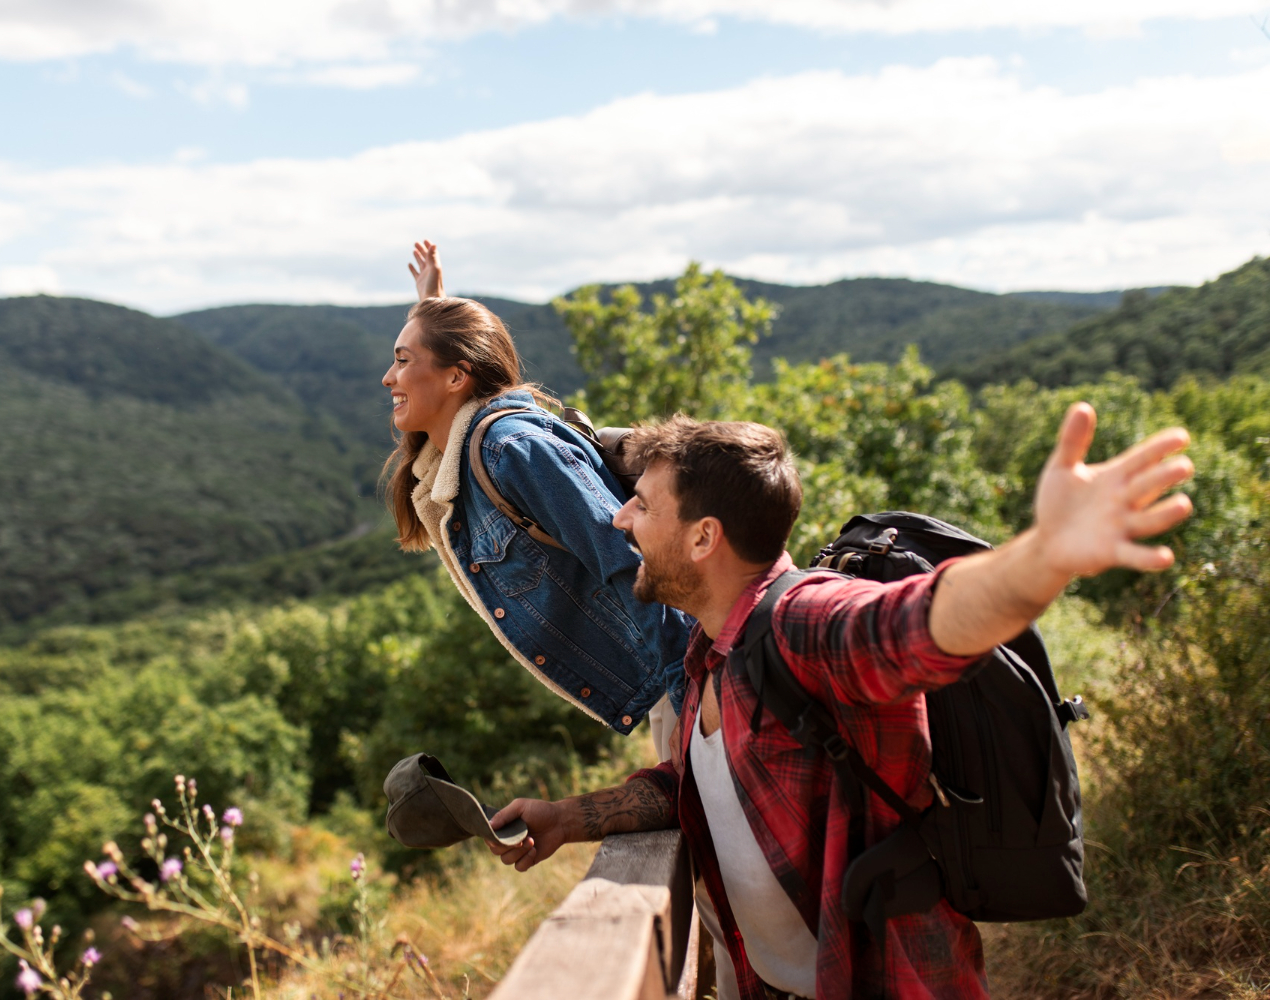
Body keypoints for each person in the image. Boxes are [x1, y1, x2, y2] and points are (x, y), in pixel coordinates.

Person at [485, 407, 1194, 999]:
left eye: (642, 505)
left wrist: (1045, 557)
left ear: (705, 537)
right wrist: (570, 817)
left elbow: (919, 625)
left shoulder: (805, 622)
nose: (619, 520)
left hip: (889, 980)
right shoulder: (709, 651)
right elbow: (705, 780)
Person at [381, 240, 693, 745]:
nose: (387, 377)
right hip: (668, 676)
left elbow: (631, 562)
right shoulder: (454, 461)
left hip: (685, 666)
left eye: (401, 360)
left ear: (458, 376)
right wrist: (432, 303)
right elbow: (450, 378)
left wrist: (692, 691)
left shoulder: (514, 450)